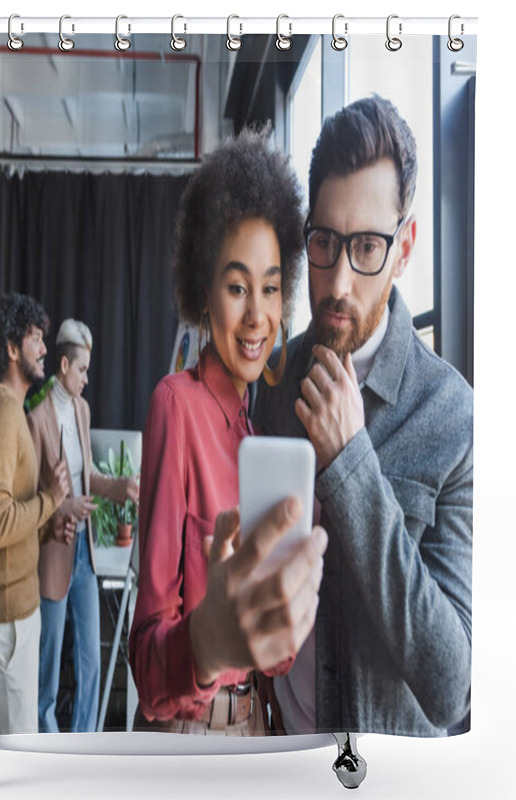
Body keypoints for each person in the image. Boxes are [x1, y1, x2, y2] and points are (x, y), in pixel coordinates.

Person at [254, 95, 473, 736]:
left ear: (404, 247)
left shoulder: (453, 418)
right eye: (324, 241)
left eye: (368, 247)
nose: (340, 280)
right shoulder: (270, 381)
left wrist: (352, 462)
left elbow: (451, 684)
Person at [129, 128, 328, 735]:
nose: (256, 316)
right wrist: (208, 645)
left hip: (258, 726)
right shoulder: (176, 405)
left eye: (270, 289)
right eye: (237, 287)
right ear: (204, 293)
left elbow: (275, 649)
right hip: (192, 734)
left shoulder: (261, 428)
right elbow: (146, 660)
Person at [27, 318, 139, 733]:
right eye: (82, 370)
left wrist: (120, 486)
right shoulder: (35, 416)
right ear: (62, 365)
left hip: (84, 558)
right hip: (53, 551)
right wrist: (64, 508)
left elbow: (87, 475)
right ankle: (46, 742)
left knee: (90, 658)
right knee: (49, 661)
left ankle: (82, 744)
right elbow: (32, 494)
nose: (87, 379)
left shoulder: (81, 409)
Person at [0, 293, 72, 735]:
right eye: (35, 338)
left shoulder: (14, 412)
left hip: (15, 613)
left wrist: (49, 527)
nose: (44, 349)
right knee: (19, 751)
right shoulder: (1, 415)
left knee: (2, 751)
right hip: (7, 621)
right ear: (12, 349)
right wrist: (50, 500)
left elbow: (13, 515)